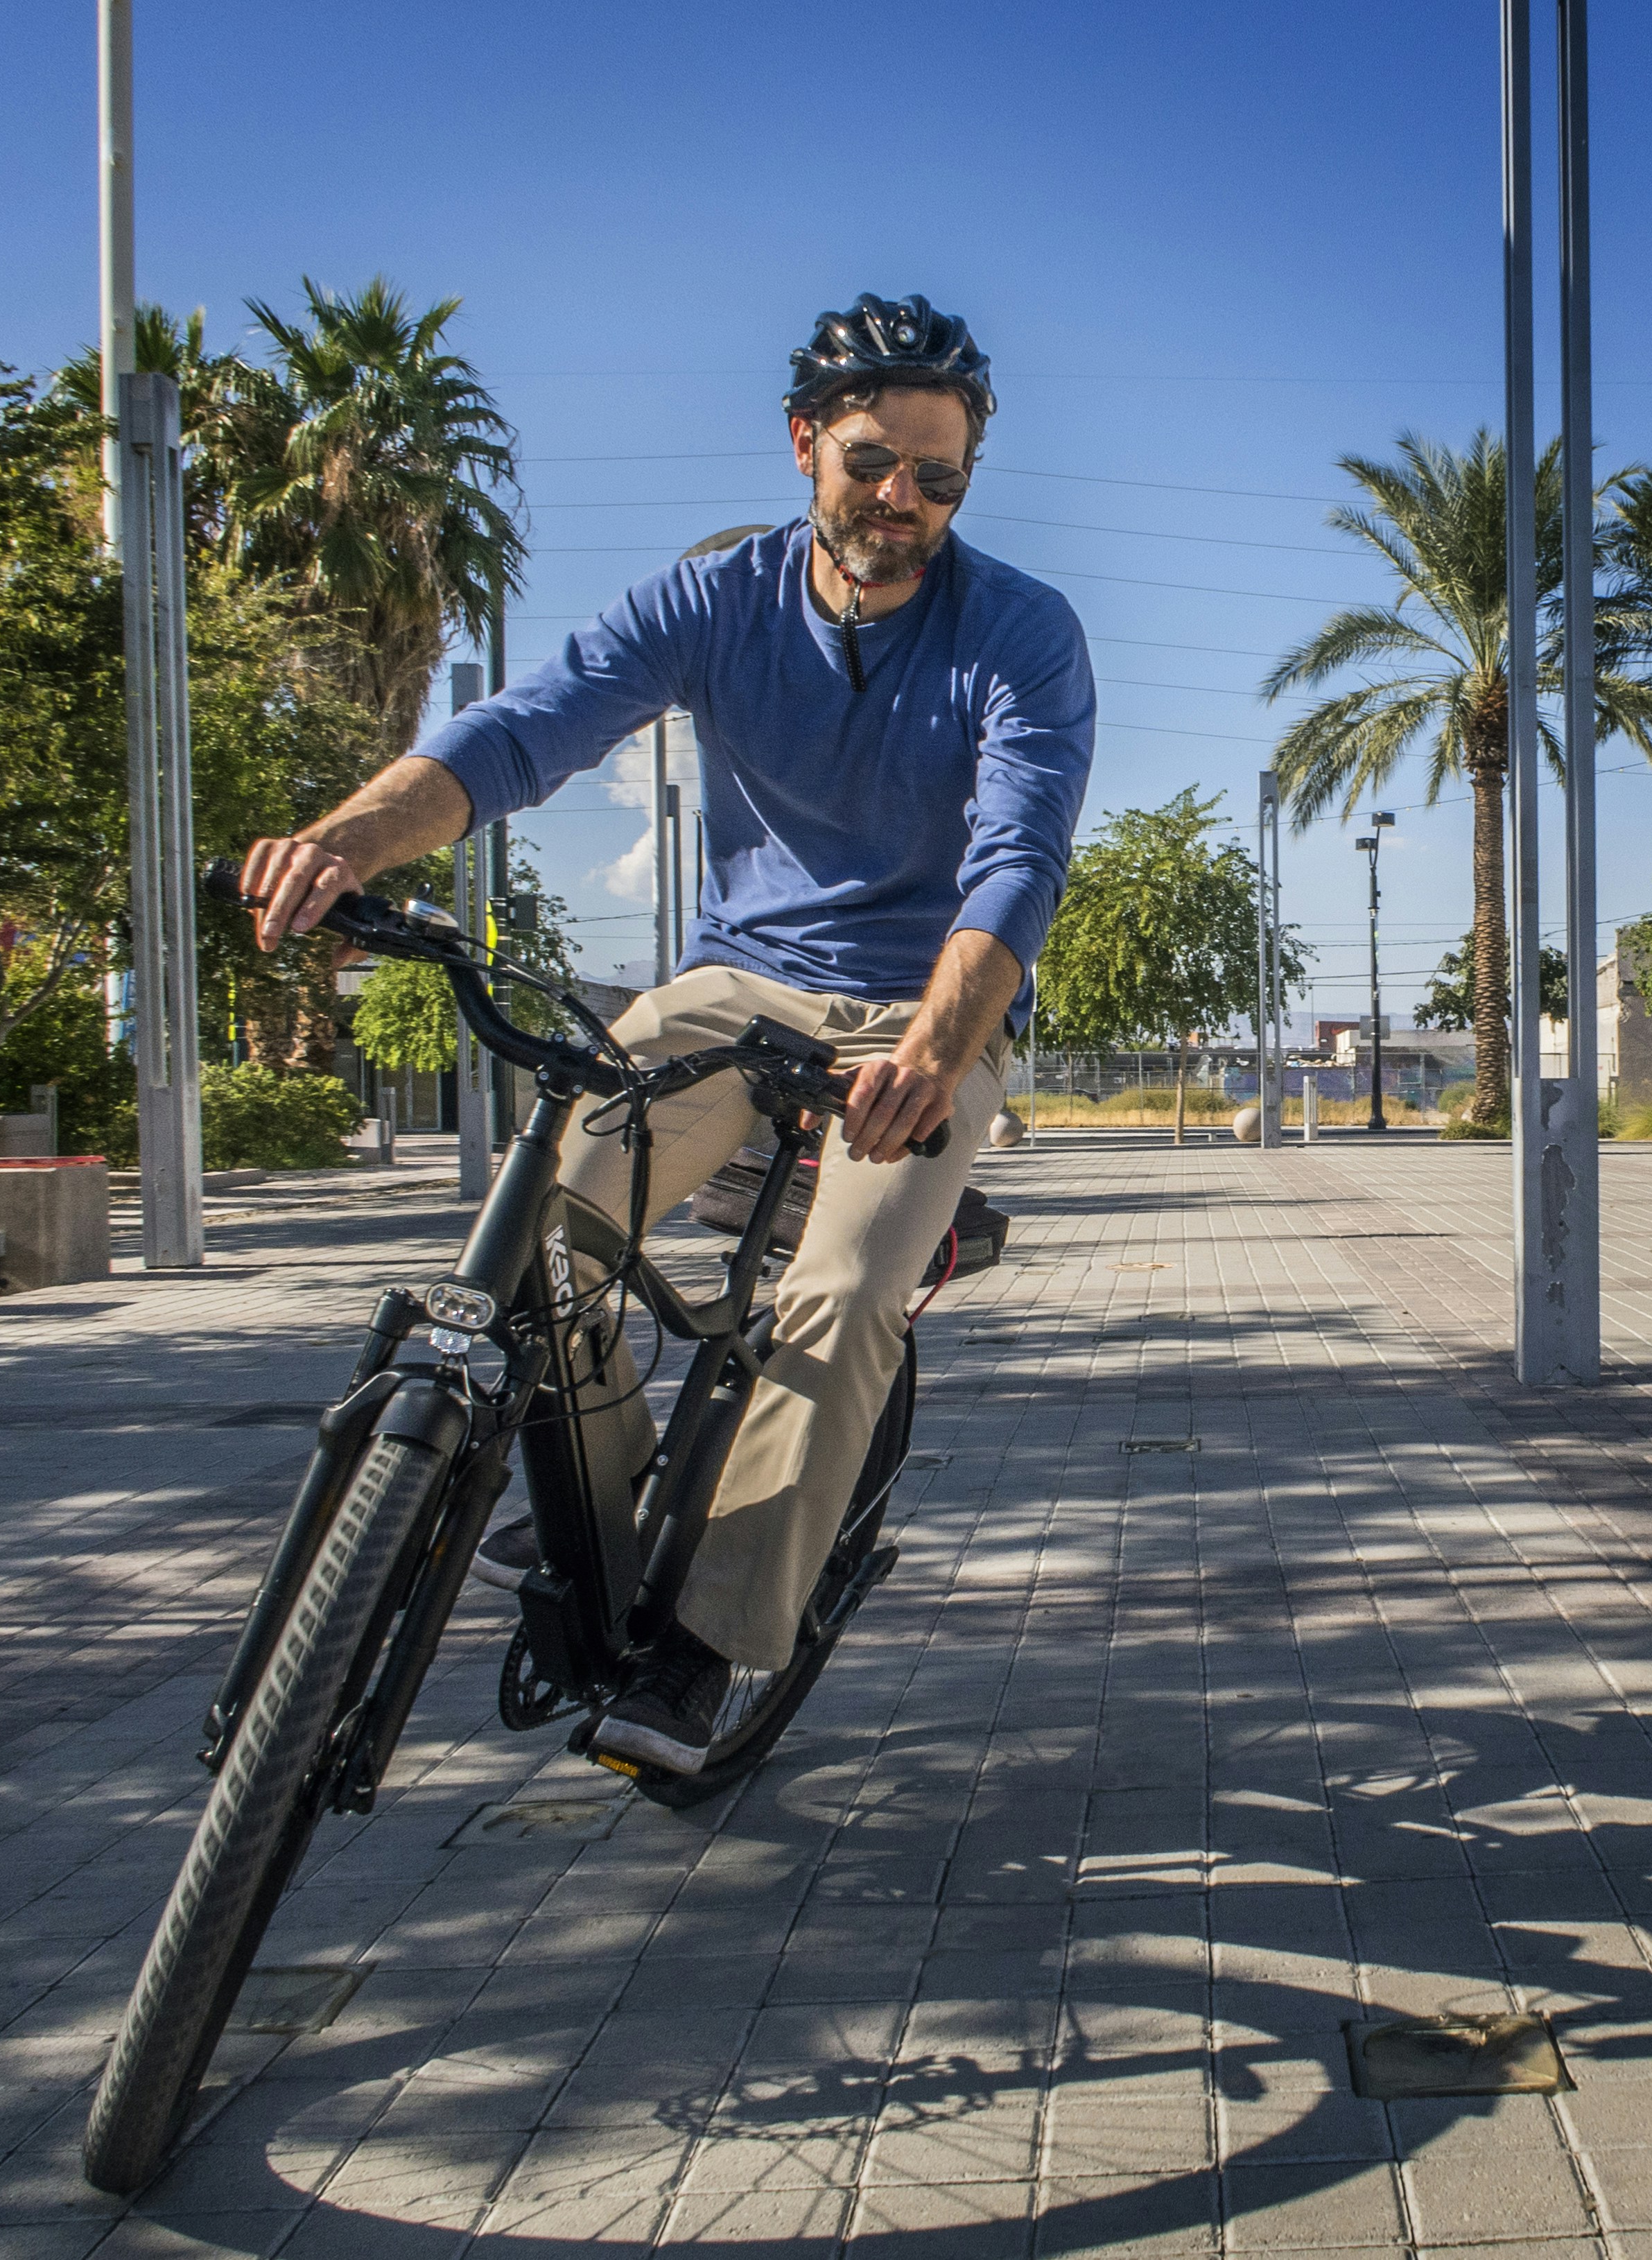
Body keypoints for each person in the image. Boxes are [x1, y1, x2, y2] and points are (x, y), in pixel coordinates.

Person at [236, 293, 1093, 1775]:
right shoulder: (714, 600)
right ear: (803, 443)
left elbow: (1017, 857)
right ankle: (621, 1503)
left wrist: (939, 1049)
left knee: (848, 1288)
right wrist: (350, 842)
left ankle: (710, 1639)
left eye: (938, 478)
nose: (900, 500)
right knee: (541, 1233)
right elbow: (528, 729)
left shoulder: (1020, 631)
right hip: (736, 984)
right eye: (871, 463)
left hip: (923, 1010)